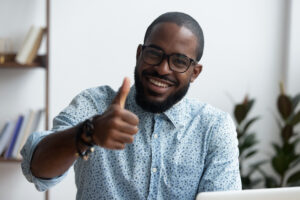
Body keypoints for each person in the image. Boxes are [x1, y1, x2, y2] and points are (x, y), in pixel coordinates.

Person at [21, 12, 241, 200]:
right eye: (154, 53)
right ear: (139, 54)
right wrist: (88, 133)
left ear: (195, 72)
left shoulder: (213, 127)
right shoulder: (94, 104)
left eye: (179, 61)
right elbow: (37, 169)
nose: (163, 69)